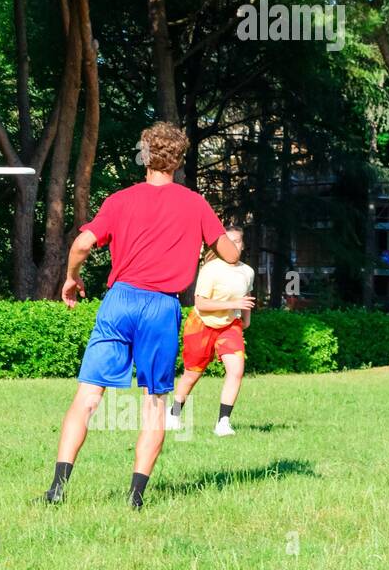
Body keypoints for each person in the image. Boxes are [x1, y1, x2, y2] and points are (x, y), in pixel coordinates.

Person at [44, 122, 239, 510]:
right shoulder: (195, 204)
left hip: (120, 300)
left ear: (144, 156)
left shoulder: (120, 200)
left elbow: (83, 242)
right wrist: (203, 245)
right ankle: (134, 499)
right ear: (179, 161)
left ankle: (56, 490)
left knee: (87, 397)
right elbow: (231, 254)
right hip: (162, 307)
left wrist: (70, 278)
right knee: (154, 402)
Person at [166, 226, 254, 436]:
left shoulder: (247, 271)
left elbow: (247, 297)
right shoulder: (211, 269)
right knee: (191, 375)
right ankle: (173, 414)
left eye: (237, 241)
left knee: (236, 371)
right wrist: (234, 302)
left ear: (243, 245)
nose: (233, 245)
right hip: (202, 324)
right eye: (229, 241)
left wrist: (245, 320)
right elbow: (201, 304)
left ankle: (223, 422)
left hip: (229, 325)